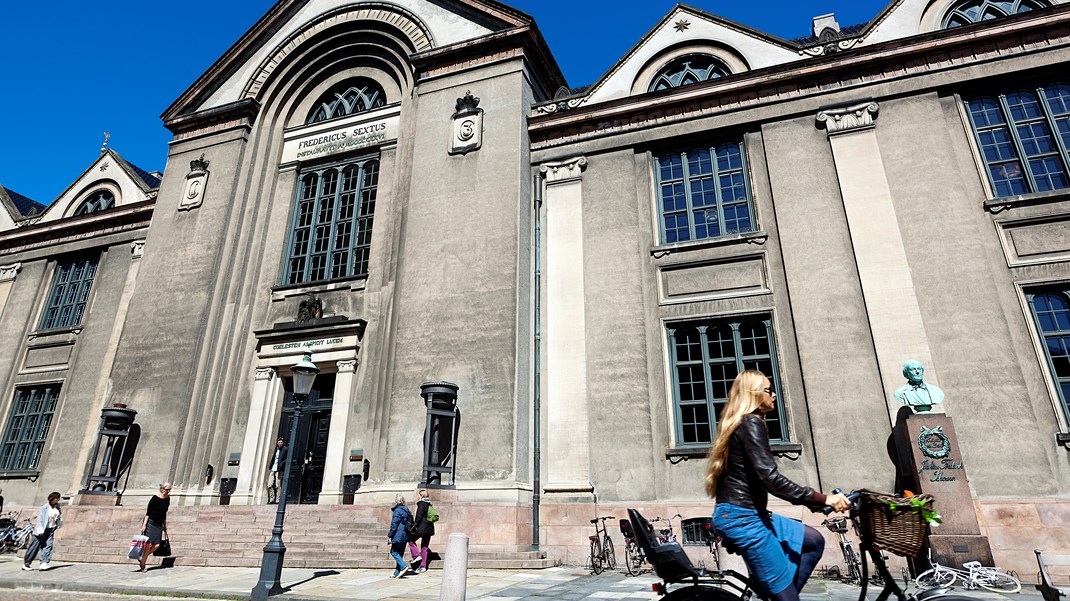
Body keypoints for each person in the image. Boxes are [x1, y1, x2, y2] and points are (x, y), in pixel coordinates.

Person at [706, 370, 850, 601]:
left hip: (748, 513)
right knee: (787, 597)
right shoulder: (751, 423)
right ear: (753, 394)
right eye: (768, 390)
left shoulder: (744, 424)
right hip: (743, 519)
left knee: (813, 541)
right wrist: (823, 499)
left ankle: (779, 593)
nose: (774, 395)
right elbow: (770, 478)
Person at [22, 491, 62, 571]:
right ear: (51, 499)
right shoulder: (44, 508)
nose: (57, 500)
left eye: (58, 499)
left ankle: (44, 563)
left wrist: (58, 525)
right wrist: (40, 530)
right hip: (41, 530)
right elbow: (40, 520)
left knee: (48, 546)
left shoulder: (58, 507)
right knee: (34, 547)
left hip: (50, 529)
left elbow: (58, 517)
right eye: (56, 499)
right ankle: (27, 564)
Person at [138, 482, 171, 572]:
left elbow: (164, 513)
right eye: (166, 489)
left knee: (157, 545)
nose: (168, 491)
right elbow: (148, 513)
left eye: (169, 490)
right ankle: (143, 565)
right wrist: (144, 525)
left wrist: (165, 525)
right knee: (148, 544)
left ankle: (142, 558)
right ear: (162, 489)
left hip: (159, 524)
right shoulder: (155, 498)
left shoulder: (168, 499)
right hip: (151, 523)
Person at [387, 493, 415, 578]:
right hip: (406, 534)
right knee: (400, 553)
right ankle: (396, 572)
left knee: (394, 552)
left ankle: (403, 566)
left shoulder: (397, 511)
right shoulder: (407, 510)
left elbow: (394, 524)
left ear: (396, 501)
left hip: (398, 534)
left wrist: (390, 535)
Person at [407, 488, 435, 572]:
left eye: (418, 495)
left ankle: (416, 555)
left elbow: (419, 517)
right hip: (429, 528)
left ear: (420, 496)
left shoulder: (421, 504)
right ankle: (423, 567)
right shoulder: (429, 504)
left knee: (410, 540)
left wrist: (414, 526)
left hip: (422, 528)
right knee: (425, 547)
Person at [266, 437, 287, 503]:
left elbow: (286, 459)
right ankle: (272, 498)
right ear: (277, 443)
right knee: (269, 484)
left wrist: (281, 465)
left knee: (277, 484)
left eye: (281, 442)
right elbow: (273, 459)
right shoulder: (276, 449)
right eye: (279, 442)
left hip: (279, 469)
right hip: (273, 468)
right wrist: (270, 466)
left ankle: (278, 498)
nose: (280, 443)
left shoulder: (285, 449)